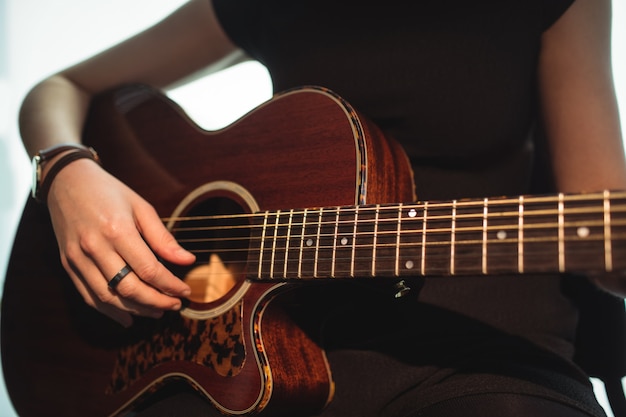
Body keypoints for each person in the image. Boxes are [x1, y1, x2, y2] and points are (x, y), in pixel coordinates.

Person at [16, 0, 626, 415]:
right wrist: (67, 171)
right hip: (261, 350)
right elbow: (59, 89)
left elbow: (601, 227)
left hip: (485, 351)